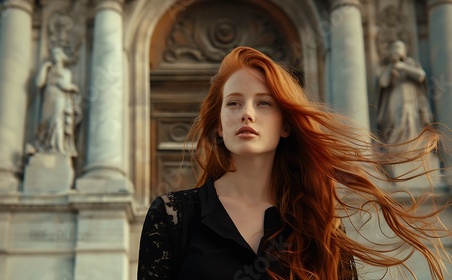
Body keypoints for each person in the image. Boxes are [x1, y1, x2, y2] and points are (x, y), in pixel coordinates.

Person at [138, 47, 450, 279]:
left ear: (286, 125)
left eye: (264, 103)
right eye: (233, 103)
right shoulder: (172, 216)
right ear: (219, 124)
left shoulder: (320, 224)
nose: (247, 113)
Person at [377, 40, 433, 146]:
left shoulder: (410, 63)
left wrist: (403, 67)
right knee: (398, 119)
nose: (396, 51)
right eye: (394, 49)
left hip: (412, 95)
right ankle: (397, 145)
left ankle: (413, 143)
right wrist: (391, 69)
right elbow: (383, 83)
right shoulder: (388, 67)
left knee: (412, 119)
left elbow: (421, 75)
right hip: (396, 95)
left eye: (399, 48)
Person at [34, 47, 81, 156]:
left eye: (57, 54)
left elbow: (64, 85)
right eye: (53, 53)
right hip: (49, 96)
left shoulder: (66, 72)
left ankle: (58, 147)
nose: (55, 56)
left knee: (56, 120)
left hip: (60, 97)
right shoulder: (48, 71)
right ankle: (46, 145)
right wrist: (44, 68)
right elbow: (39, 83)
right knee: (45, 121)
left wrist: (72, 87)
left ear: (62, 57)